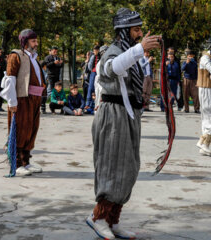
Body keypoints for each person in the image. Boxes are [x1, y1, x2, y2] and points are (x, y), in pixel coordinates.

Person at [85, 8, 161, 240]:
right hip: (112, 115)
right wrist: (140, 49)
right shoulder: (113, 51)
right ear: (124, 31)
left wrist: (139, 51)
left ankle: (112, 219)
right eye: (136, 30)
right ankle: (98, 217)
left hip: (128, 114)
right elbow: (110, 70)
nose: (139, 34)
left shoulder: (130, 52)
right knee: (111, 166)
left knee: (128, 168)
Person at [0, 29, 46, 176]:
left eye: (36, 40)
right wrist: (12, 101)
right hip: (22, 99)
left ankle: (26, 162)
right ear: (25, 42)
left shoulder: (33, 57)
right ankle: (17, 164)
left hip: (34, 99)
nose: (36, 43)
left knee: (31, 131)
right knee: (20, 131)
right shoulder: (16, 56)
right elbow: (10, 79)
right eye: (33, 41)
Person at [41, 46, 63, 114]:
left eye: (56, 51)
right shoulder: (48, 57)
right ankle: (42, 104)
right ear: (50, 51)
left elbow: (59, 67)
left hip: (57, 76)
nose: (55, 52)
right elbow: (47, 65)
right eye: (54, 51)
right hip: (50, 76)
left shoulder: (58, 58)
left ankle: (57, 106)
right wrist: (54, 63)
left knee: (57, 91)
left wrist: (61, 63)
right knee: (50, 90)